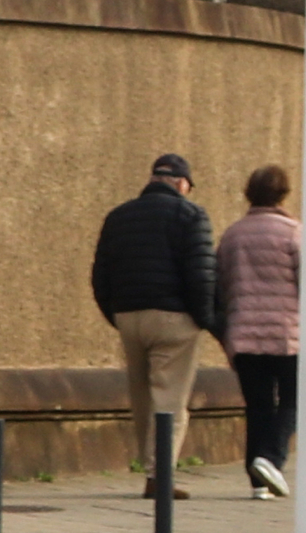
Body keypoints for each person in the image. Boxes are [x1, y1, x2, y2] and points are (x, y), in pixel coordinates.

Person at [91, 154, 217, 499]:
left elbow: (100, 273)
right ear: (181, 183)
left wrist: (116, 315)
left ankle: (149, 469)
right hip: (174, 319)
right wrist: (206, 320)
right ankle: (158, 475)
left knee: (142, 397)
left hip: (129, 317)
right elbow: (202, 275)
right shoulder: (191, 215)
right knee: (170, 399)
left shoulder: (118, 217)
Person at [218, 165, 302, 499]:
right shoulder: (293, 233)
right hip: (286, 334)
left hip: (244, 335)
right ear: (283, 194)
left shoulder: (233, 234)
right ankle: (272, 460)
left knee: (257, 406)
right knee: (293, 400)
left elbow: (222, 282)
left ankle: (257, 480)